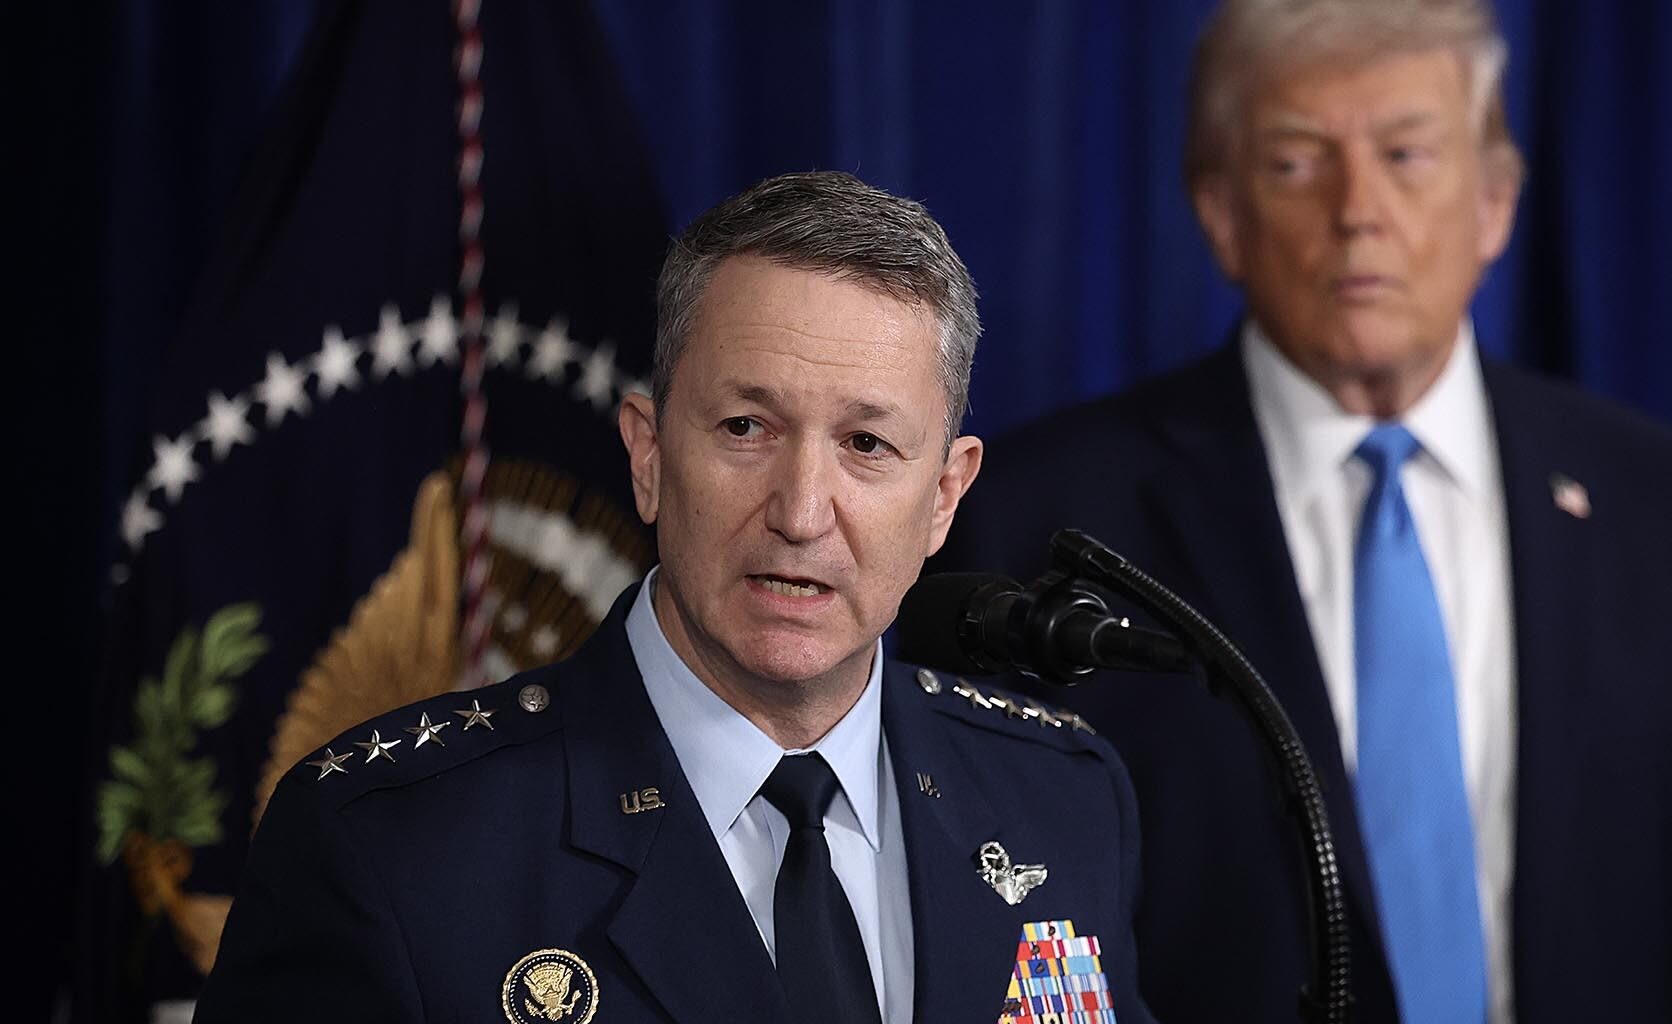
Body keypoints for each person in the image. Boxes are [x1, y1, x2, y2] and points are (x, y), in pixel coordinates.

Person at [932, 2, 1672, 1022]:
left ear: (1495, 203)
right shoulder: (1038, 524)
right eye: (1296, 163)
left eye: (1406, 155)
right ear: (1221, 214)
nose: (1358, 210)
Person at [197, 172, 1157, 1024]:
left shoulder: (1060, 798)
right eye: (746, 428)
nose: (801, 513)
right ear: (649, 456)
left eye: (867, 445)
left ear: (944, 496)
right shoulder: (388, 848)